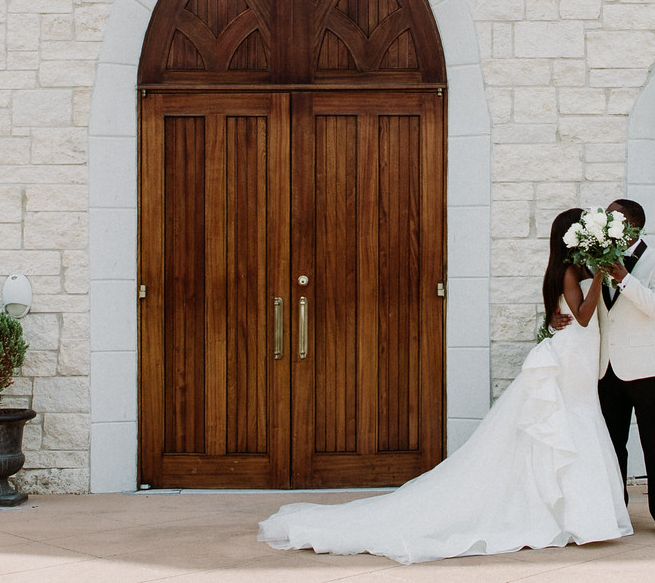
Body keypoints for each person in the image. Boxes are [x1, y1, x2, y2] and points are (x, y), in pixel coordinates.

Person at [258, 208, 632, 564]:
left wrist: (596, 275)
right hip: (570, 357)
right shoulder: (569, 272)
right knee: (565, 422)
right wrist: (599, 275)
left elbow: (576, 314)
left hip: (580, 358)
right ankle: (569, 514)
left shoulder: (573, 269)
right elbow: (582, 317)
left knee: (577, 421)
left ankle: (577, 512)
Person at [556, 196, 655, 539]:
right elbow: (581, 307)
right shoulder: (592, 261)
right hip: (606, 368)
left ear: (633, 226)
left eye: (615, 219)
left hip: (647, 366)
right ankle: (615, 512)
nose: (608, 224)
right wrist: (556, 319)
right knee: (611, 446)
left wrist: (625, 279)